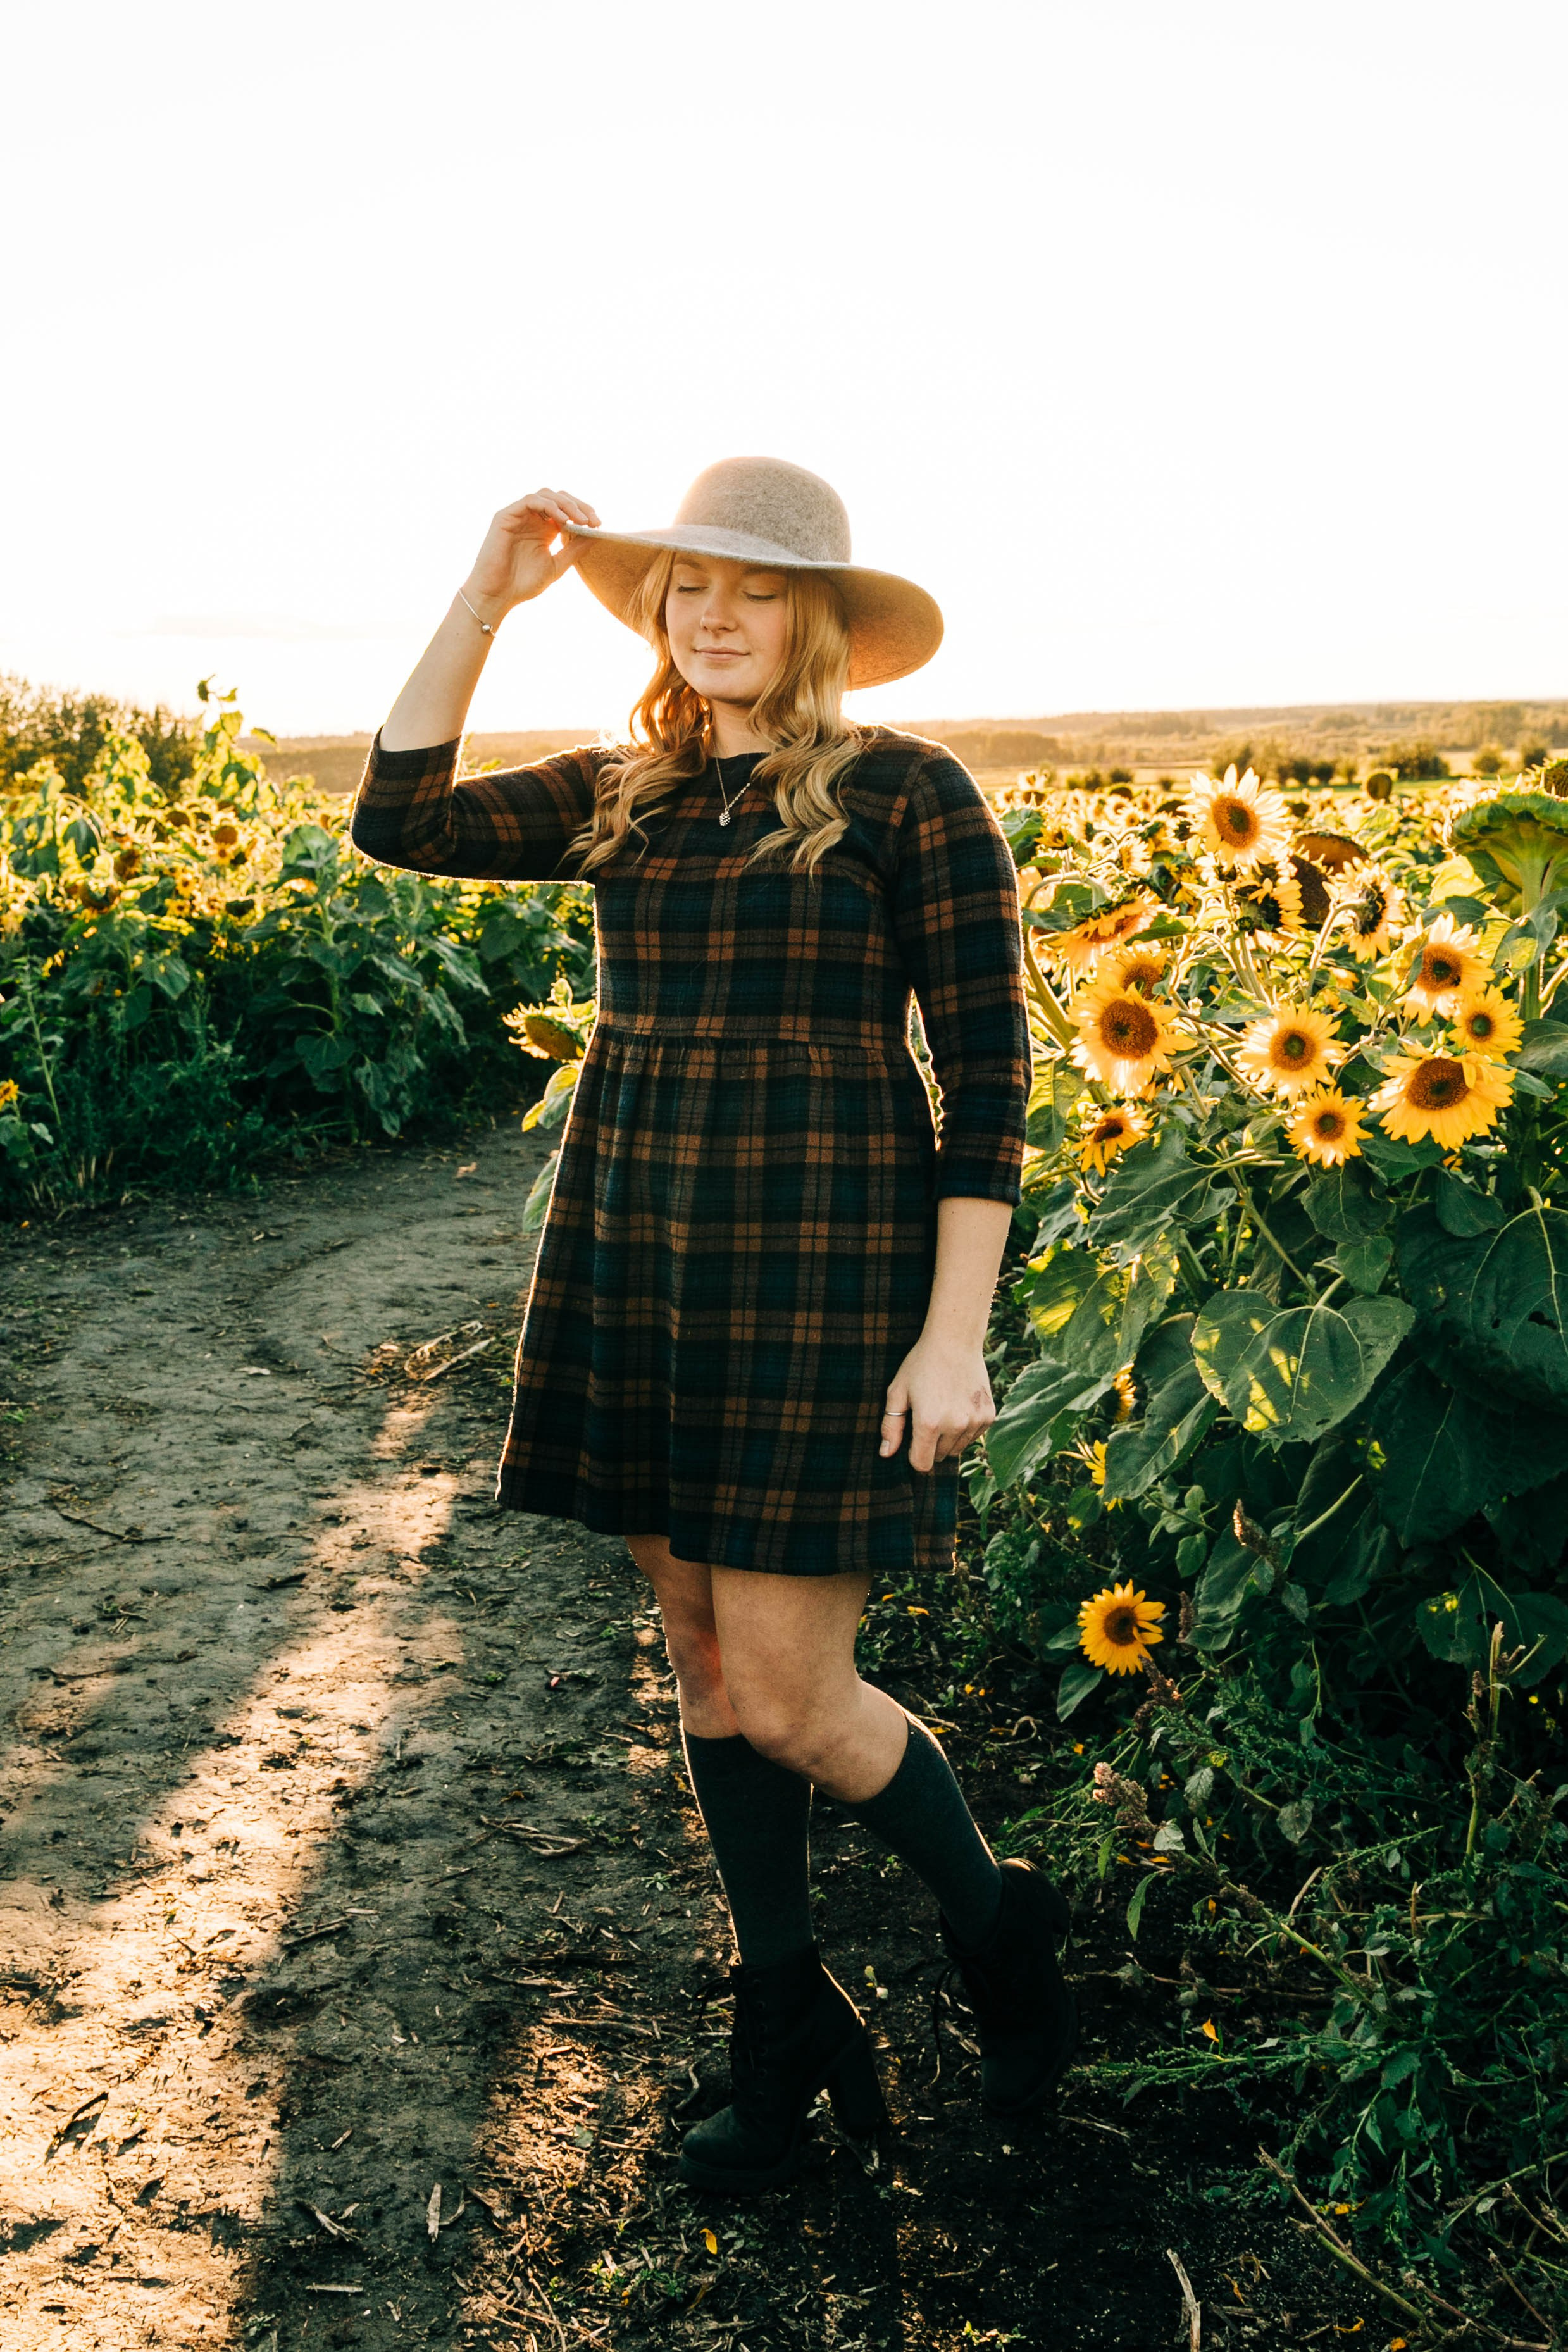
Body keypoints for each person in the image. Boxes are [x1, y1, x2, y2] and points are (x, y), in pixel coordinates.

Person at [351, 457, 1076, 2193]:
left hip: (826, 1273)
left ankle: (1001, 1930)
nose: (718, 615)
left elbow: (989, 1084)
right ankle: (787, 2033)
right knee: (697, 1662)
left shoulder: (910, 794)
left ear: (818, 621)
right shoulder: (628, 795)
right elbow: (399, 816)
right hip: (641, 1258)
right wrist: (483, 595)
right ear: (660, 612)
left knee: (798, 1696)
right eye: (689, 587)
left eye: (755, 590)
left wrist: (953, 1334)